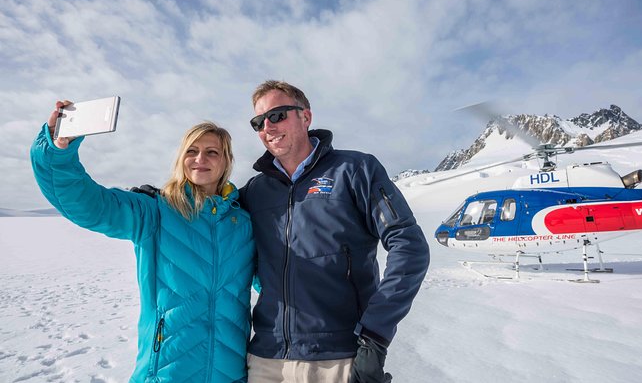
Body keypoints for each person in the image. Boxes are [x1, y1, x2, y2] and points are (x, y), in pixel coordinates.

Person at [30, 101, 255, 383]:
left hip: (230, 373)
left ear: (226, 161)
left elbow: (274, 281)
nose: (201, 159)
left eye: (212, 152)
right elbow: (89, 205)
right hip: (167, 371)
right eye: (192, 151)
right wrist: (57, 152)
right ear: (181, 159)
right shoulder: (155, 210)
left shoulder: (243, 223)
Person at [240, 81, 430, 383]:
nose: (267, 127)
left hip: (338, 358)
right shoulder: (254, 191)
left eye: (277, 115)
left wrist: (375, 335)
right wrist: (164, 198)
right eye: (258, 122)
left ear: (306, 116)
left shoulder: (355, 170)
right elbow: (207, 211)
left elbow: (409, 246)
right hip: (266, 359)